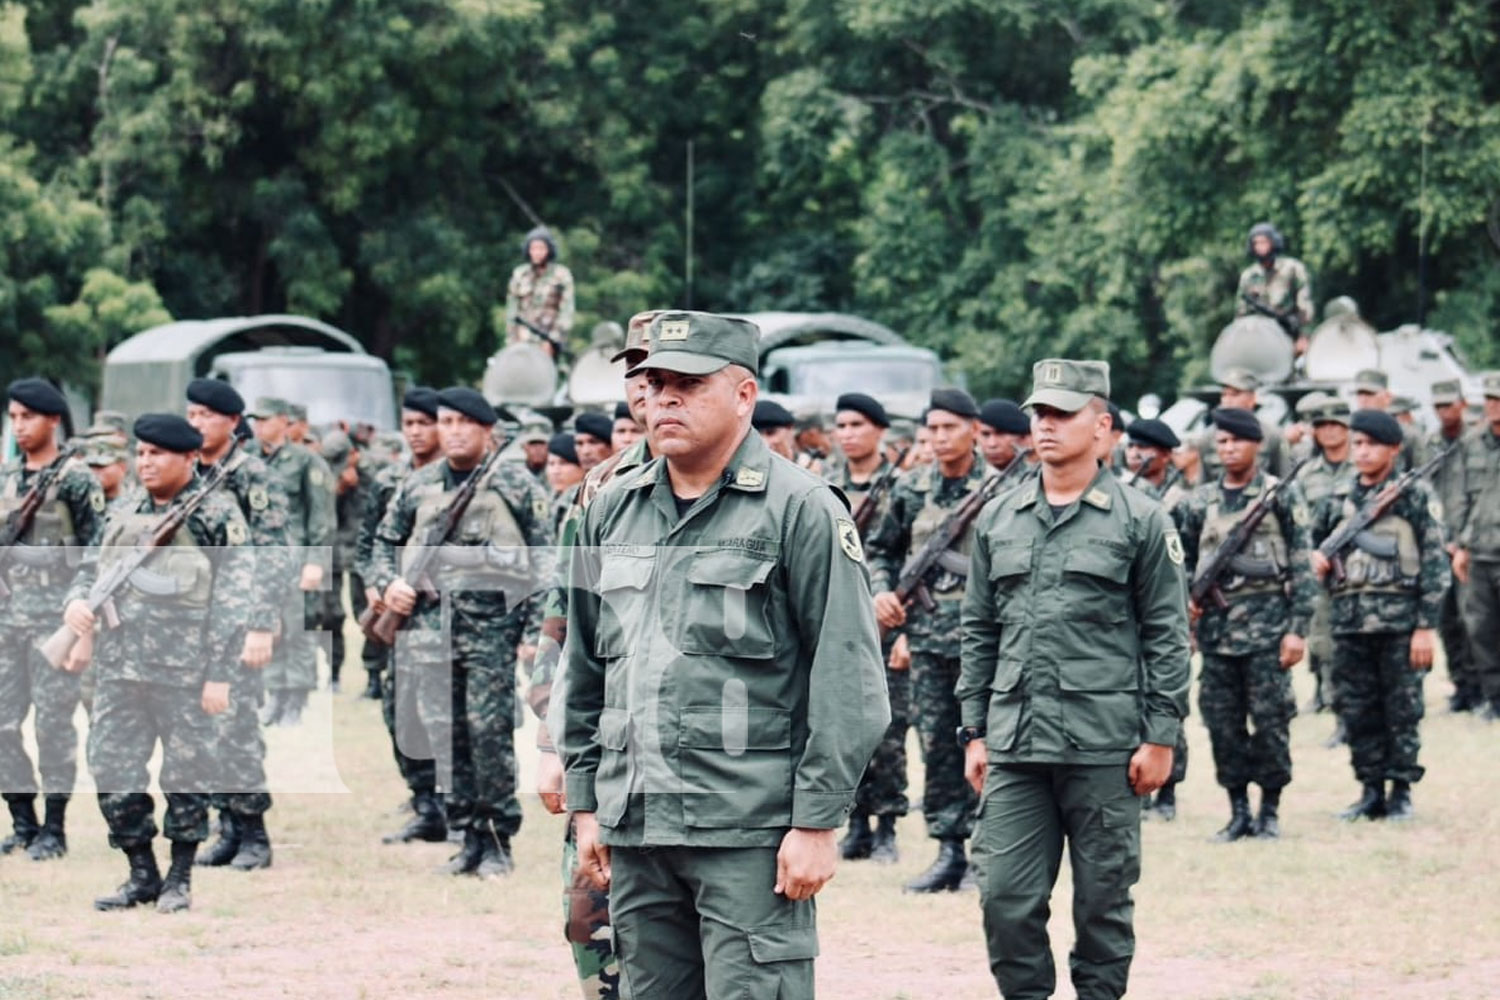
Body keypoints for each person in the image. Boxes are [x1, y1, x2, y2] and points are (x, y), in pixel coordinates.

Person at [559, 310, 889, 997]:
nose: (665, 399)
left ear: (744, 395)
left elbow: (848, 677)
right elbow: (588, 667)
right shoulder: (610, 511)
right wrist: (588, 801)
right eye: (654, 383)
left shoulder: (801, 510)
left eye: (689, 384)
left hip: (748, 831)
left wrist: (817, 822)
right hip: (638, 823)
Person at [960, 358, 1189, 1000]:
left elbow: (1167, 634)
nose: (1046, 425)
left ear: (1104, 426)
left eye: (1063, 413)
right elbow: (978, 631)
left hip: (1104, 745)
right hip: (1015, 744)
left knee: (1103, 902)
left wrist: (1161, 735)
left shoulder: (1141, 520)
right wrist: (974, 730)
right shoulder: (999, 518)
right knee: (1004, 898)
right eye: (1039, 413)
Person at [64, 414, 253, 912]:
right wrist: (77, 603)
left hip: (187, 674)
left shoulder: (215, 513)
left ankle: (181, 877)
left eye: (157, 454)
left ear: (190, 458)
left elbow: (234, 600)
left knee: (187, 777)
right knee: (111, 771)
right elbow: (89, 568)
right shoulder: (122, 508)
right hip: (120, 670)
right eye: (141, 453)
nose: (145, 462)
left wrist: (219, 674)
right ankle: (141, 873)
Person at [371, 387, 554, 877]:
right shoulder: (419, 485)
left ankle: (496, 840)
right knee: (444, 734)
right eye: (445, 422)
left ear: (486, 430)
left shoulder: (515, 484)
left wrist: (536, 629)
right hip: (430, 627)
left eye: (463, 423)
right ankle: (465, 834)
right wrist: (388, 584)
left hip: (492, 629)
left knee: (487, 734)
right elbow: (384, 541)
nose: (451, 431)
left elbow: (547, 559)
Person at [532, 309, 661, 1000]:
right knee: (590, 925)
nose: (647, 388)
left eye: (663, 373)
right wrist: (554, 741)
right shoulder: (598, 488)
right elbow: (562, 622)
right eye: (637, 373)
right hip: (605, 752)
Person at [866, 388, 987, 893]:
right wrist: (880, 592)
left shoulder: (1001, 490)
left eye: (949, 428)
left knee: (988, 747)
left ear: (974, 430)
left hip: (987, 645)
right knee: (937, 745)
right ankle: (949, 849)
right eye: (932, 429)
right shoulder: (912, 490)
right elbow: (879, 550)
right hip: (929, 643)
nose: (939, 438)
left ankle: (987, 851)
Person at [1174, 408, 1315, 841]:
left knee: (1271, 723)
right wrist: (1187, 611)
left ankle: (1269, 811)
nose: (1228, 448)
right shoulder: (1198, 503)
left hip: (1269, 635)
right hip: (1217, 638)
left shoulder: (1280, 496)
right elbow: (1183, 565)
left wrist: (1298, 629)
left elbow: (1302, 566)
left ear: (1257, 445)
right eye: (1221, 441)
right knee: (1222, 725)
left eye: (1237, 440)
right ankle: (1237, 811)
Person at [1310, 410, 1447, 821]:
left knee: (1402, 709)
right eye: (1358, 444)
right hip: (1350, 622)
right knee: (1358, 709)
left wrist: (1425, 626)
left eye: (1372, 445)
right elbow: (1312, 549)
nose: (1363, 452)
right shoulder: (1337, 501)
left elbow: (1435, 564)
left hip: (1400, 624)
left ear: (1394, 449)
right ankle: (1370, 789)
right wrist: (1316, 562)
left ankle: (1401, 790)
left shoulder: (1416, 495)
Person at [184, 378, 292, 872]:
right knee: (202, 729)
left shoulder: (251, 476)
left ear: (232, 422)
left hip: (240, 619)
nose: (198, 424)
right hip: (191, 622)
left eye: (207, 415)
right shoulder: (185, 472)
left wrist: (261, 624)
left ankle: (254, 833)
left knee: (236, 726)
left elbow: (272, 553)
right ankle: (225, 826)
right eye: (192, 415)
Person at [0, 378, 106, 860]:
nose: (19, 426)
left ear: (53, 421)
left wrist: (85, 632)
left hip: (56, 624)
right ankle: (23, 820)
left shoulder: (77, 479)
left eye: (29, 417)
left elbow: (98, 558)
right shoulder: (6, 478)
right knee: (2, 724)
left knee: (53, 727)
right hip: (7, 620)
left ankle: (55, 828)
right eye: (14, 417)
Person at [356, 388, 445, 844]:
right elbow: (371, 541)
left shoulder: (460, 478)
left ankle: (457, 808)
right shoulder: (391, 479)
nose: (415, 432)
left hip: (448, 618)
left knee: (447, 717)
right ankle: (425, 802)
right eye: (408, 423)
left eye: (423, 423)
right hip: (400, 614)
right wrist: (379, 582)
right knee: (400, 712)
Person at [826, 392, 909, 864]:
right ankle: (854, 821)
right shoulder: (823, 484)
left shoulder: (899, 486)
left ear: (879, 430)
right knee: (841, 729)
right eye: (842, 425)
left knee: (889, 730)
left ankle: (887, 826)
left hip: (885, 618)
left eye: (858, 424)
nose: (848, 433)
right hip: (839, 619)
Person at [247, 396, 335, 726]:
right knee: (266, 625)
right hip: (258, 557)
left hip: (295, 556)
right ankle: (274, 694)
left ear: (284, 422)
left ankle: (295, 697)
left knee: (297, 627)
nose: (259, 426)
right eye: (255, 420)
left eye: (265, 420)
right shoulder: (249, 460)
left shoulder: (305, 462)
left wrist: (316, 562)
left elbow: (321, 517)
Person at [1123, 416, 1191, 820]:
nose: (1136, 454)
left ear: (1165, 455)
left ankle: (1168, 792)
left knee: (1164, 701)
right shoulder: (1119, 495)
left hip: (1162, 612)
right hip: (1124, 619)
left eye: (1145, 448)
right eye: (1132, 447)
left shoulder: (1180, 502)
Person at [1293, 396, 1355, 739]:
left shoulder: (1363, 466)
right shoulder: (1306, 473)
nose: (1328, 432)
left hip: (1361, 569)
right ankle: (1340, 714)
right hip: (1322, 568)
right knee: (1325, 643)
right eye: (1322, 426)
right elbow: (1299, 525)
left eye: (1336, 425)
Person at [1452, 372, 1500, 721]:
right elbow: (1460, 498)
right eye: (1490, 399)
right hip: (1479, 551)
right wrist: (1459, 546)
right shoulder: (1471, 443)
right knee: (1480, 628)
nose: (1494, 406)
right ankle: (1494, 697)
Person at [1426, 380, 1476, 712]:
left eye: (1449, 404)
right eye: (1439, 406)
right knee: (1447, 621)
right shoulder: (1430, 443)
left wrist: (1464, 540)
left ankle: (1483, 688)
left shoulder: (1477, 441)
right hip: (1440, 543)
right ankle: (1461, 687)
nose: (1444, 412)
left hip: (1472, 543)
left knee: (1476, 621)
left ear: (1462, 404)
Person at [1235, 222, 1314, 354]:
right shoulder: (1248, 276)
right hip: (1259, 339)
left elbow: (1304, 304)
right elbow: (1241, 313)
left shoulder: (1292, 268)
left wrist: (1303, 336)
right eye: (1256, 243)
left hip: (1290, 334)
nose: (1260, 247)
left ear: (1273, 242)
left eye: (1264, 242)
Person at [1197, 369, 1288, 479]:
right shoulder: (1208, 437)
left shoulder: (1272, 435)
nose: (1228, 400)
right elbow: (1203, 482)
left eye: (1235, 394)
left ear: (1252, 399)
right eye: (1224, 394)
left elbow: (1284, 479)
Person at [505, 226, 575, 354]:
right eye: (533, 248)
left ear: (549, 250)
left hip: (549, 337)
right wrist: (513, 338)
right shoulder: (520, 275)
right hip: (522, 337)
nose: (537, 252)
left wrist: (553, 339)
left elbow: (566, 312)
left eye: (541, 248)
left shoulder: (562, 275)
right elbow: (512, 311)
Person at [1352, 369, 1426, 471]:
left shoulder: (1407, 434)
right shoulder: (1348, 432)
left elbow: (1421, 472)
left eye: (1370, 394)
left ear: (1387, 397)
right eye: (1360, 394)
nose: (1363, 399)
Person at [977, 399, 1030, 472]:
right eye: (985, 434)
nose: (992, 444)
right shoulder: (967, 475)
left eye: (1001, 434)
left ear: (1022, 437)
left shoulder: (1041, 477)